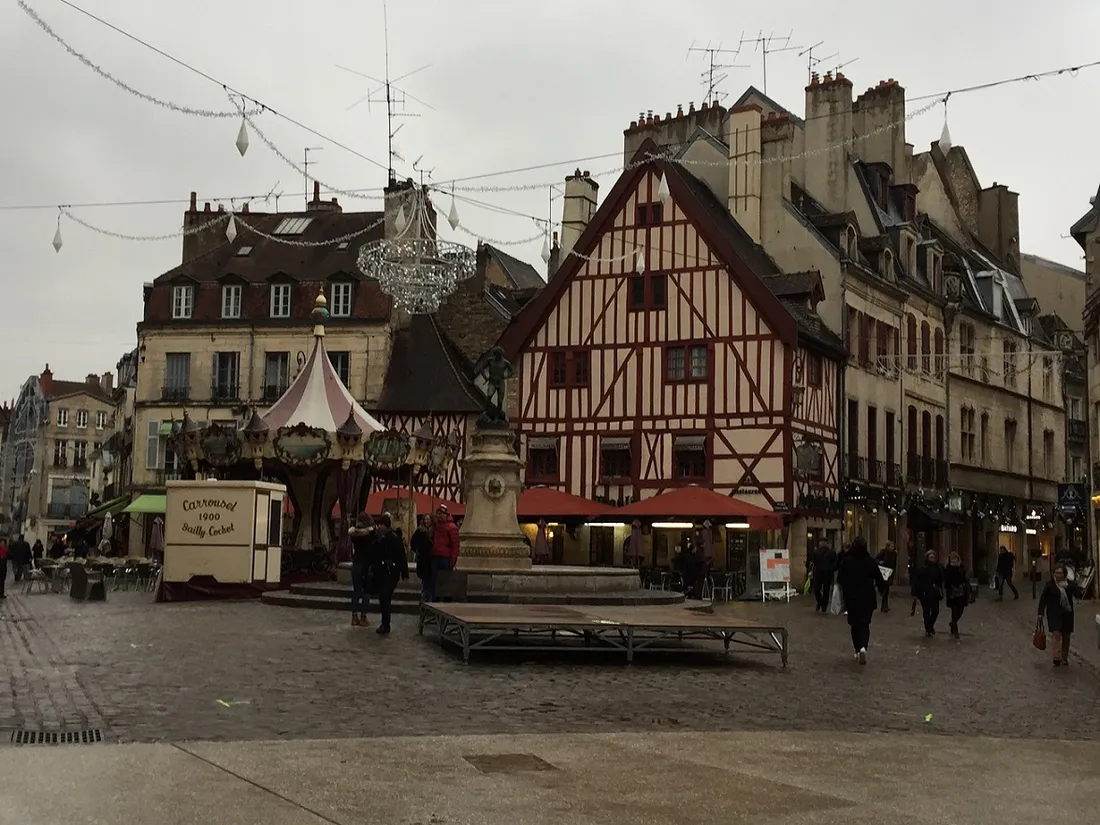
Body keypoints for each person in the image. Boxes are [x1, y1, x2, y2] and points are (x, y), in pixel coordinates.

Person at [835, 536, 884, 664]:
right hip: (867, 597)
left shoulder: (847, 561)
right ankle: (863, 647)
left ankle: (858, 648)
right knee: (865, 624)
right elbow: (879, 578)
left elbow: (839, 579)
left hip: (851, 597)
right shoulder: (870, 561)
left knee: (855, 624)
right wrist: (882, 589)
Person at [367, 513, 410, 635]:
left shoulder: (393, 537)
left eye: (380, 525)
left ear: (385, 526)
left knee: (385, 596)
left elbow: (401, 555)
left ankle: (385, 624)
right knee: (383, 597)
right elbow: (373, 553)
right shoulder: (378, 538)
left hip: (391, 572)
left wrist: (404, 572)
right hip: (381, 572)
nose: (378, 527)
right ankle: (385, 623)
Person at [1038, 563, 1084, 666]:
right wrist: (1040, 613)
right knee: (1056, 634)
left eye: (1060, 573)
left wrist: (1069, 586)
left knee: (1066, 636)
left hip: (1067, 613)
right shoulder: (1050, 585)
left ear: (1064, 574)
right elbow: (1043, 599)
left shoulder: (1069, 584)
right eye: (1056, 573)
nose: (1058, 575)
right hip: (1054, 614)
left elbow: (1079, 594)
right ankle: (1056, 657)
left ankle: (1064, 657)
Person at [427, 505, 460, 601]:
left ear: (446, 514)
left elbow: (455, 546)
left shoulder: (451, 527)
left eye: (441, 514)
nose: (439, 516)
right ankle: (435, 601)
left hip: (445, 558)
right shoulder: (437, 526)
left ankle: (445, 601)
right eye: (438, 514)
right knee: (434, 582)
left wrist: (452, 561)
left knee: (444, 583)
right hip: (436, 556)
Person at [348, 515, 376, 627]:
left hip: (356, 565)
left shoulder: (354, 535)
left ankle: (354, 616)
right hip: (367, 565)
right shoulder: (371, 534)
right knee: (366, 592)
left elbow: (351, 531)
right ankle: (363, 616)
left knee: (356, 591)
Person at [915, 549, 945, 637]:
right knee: (926, 611)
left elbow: (940, 580)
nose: (932, 559)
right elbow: (917, 581)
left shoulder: (938, 568)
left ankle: (930, 625)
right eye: (931, 557)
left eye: (933, 557)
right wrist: (917, 592)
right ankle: (927, 627)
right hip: (925, 593)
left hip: (934, 593)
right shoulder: (923, 568)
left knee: (935, 611)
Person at [943, 551, 969, 639]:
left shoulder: (961, 568)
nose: (954, 560)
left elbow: (964, 578)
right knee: (954, 610)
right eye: (952, 559)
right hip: (952, 592)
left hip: (961, 591)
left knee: (960, 610)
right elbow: (946, 580)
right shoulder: (949, 568)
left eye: (955, 558)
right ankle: (955, 628)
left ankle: (953, 623)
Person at [411, 514, 434, 602]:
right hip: (423, 559)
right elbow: (413, 542)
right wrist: (417, 551)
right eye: (425, 519)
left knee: (431, 580)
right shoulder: (419, 531)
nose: (426, 521)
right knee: (425, 580)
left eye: (428, 519)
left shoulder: (434, 531)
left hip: (432, 558)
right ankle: (425, 598)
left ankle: (429, 598)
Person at [810, 542, 837, 613]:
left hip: (827, 573)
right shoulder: (816, 552)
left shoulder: (831, 552)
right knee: (817, 589)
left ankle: (824, 606)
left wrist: (831, 568)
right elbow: (813, 562)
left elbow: (835, 563)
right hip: (818, 573)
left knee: (826, 590)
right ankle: (820, 602)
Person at [874, 540, 898, 613]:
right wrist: (880, 563)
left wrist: (893, 572)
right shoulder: (883, 552)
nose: (892, 547)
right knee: (885, 589)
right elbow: (876, 558)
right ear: (888, 546)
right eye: (891, 546)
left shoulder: (894, 554)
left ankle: (885, 605)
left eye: (893, 546)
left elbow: (894, 563)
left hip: (890, 572)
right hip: (884, 572)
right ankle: (884, 606)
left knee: (887, 589)